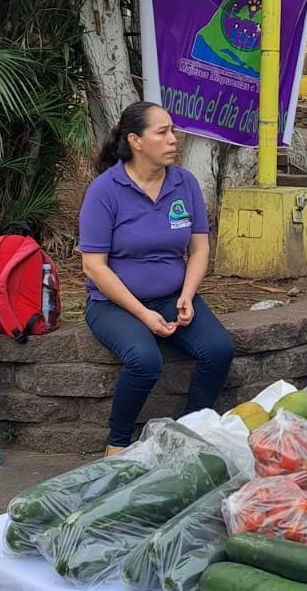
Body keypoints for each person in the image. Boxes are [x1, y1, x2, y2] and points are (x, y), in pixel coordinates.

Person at [80, 102, 235, 454]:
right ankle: (117, 444)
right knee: (145, 360)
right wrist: (142, 314)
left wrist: (187, 294)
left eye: (173, 131)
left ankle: (187, 434)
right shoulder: (105, 190)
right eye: (162, 132)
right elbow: (94, 266)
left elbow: (198, 249)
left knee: (218, 350)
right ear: (135, 141)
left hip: (172, 297)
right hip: (113, 304)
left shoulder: (185, 183)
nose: (173, 139)